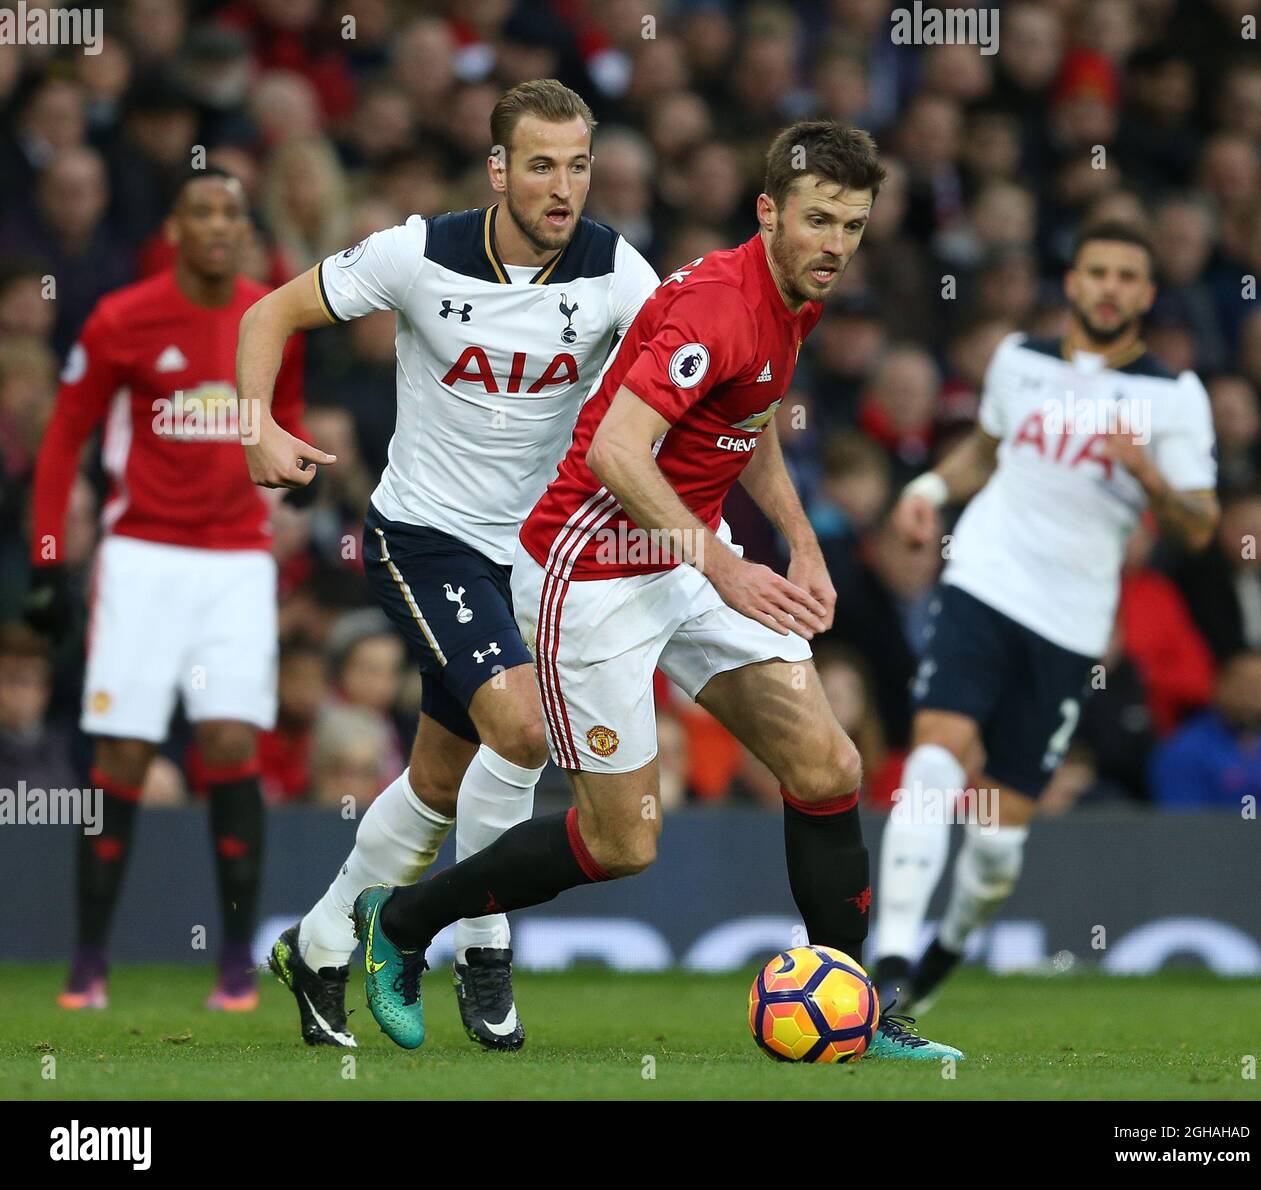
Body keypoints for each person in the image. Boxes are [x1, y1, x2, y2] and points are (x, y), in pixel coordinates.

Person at [356, 119, 964, 1062]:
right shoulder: (715, 304)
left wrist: (800, 542)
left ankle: (853, 1011)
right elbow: (613, 450)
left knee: (829, 767)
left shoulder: (792, 298)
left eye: (852, 223)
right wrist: (724, 565)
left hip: (688, 551)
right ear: (769, 212)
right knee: (623, 842)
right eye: (818, 221)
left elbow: (746, 416)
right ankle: (399, 925)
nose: (836, 244)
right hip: (587, 570)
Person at [237, 79, 659, 1050]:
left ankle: (319, 940)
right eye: (542, 164)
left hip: (531, 557)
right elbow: (269, 315)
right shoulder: (416, 251)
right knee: (518, 726)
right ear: (499, 169)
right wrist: (255, 423)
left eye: (579, 165)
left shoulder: (616, 272)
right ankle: (481, 941)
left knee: (437, 778)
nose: (563, 187)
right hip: (424, 537)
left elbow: (685, 380)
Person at [872, 221, 1220, 1014]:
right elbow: (986, 451)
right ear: (1073, 282)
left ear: (1147, 294)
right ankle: (889, 958)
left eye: (1127, 276)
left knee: (996, 840)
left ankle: (938, 961)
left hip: (1068, 624)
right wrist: (927, 493)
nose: (1109, 288)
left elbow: (1201, 527)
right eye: (1097, 271)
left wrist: (1150, 479)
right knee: (932, 761)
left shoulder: (1173, 396)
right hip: (984, 581)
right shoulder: (1019, 360)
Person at [26, 167, 307, 1011]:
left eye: (233, 212)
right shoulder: (123, 319)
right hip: (141, 557)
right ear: (175, 230)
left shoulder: (272, 317)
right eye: (202, 211)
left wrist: (303, 481)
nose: (220, 225)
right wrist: (46, 560)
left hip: (236, 561)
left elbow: (282, 425)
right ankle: (88, 960)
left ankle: (232, 964)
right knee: (124, 753)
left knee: (229, 743)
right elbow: (63, 438)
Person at [1151, 650, 1261, 810]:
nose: (1255, 694)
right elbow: (1185, 828)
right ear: (1220, 685)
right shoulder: (1184, 752)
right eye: (1246, 683)